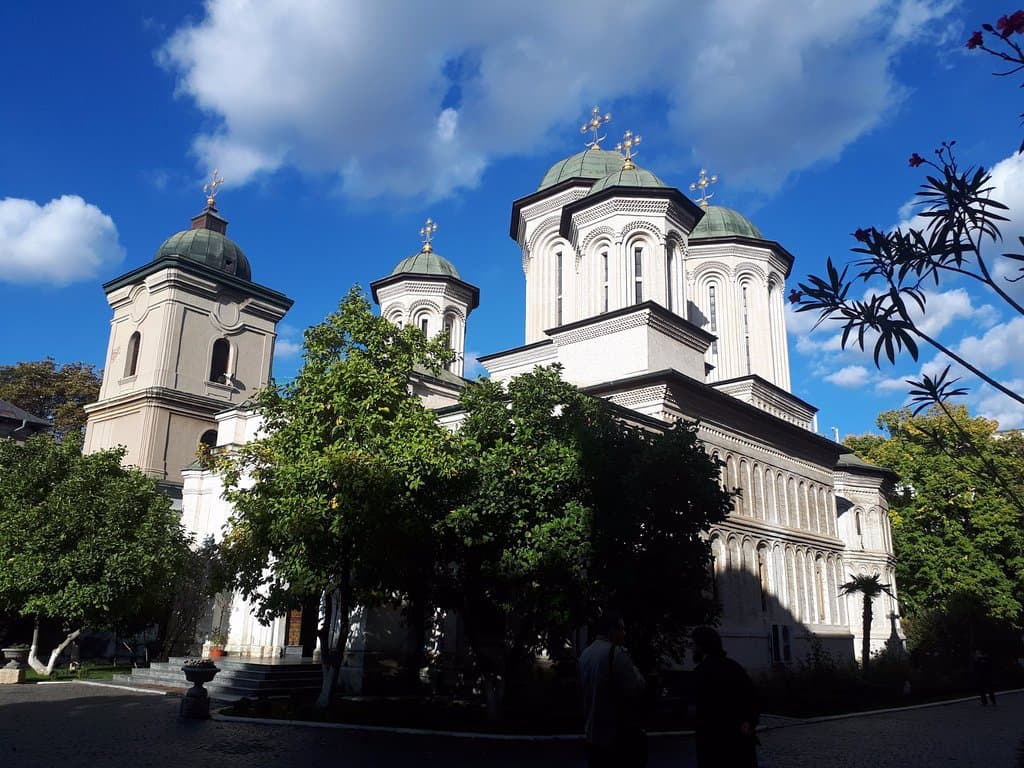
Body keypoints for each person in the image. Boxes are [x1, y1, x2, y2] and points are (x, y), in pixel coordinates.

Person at [579, 610, 647, 768]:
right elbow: (636, 688)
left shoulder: (585, 654)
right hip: (614, 736)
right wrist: (633, 667)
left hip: (592, 734)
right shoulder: (616, 654)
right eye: (622, 629)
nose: (624, 633)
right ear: (612, 630)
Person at [691, 626, 759, 768]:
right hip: (739, 745)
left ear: (701, 646)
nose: (692, 648)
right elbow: (752, 698)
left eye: (694, 644)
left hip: (714, 746)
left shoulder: (701, 673)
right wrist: (749, 721)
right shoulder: (734, 668)